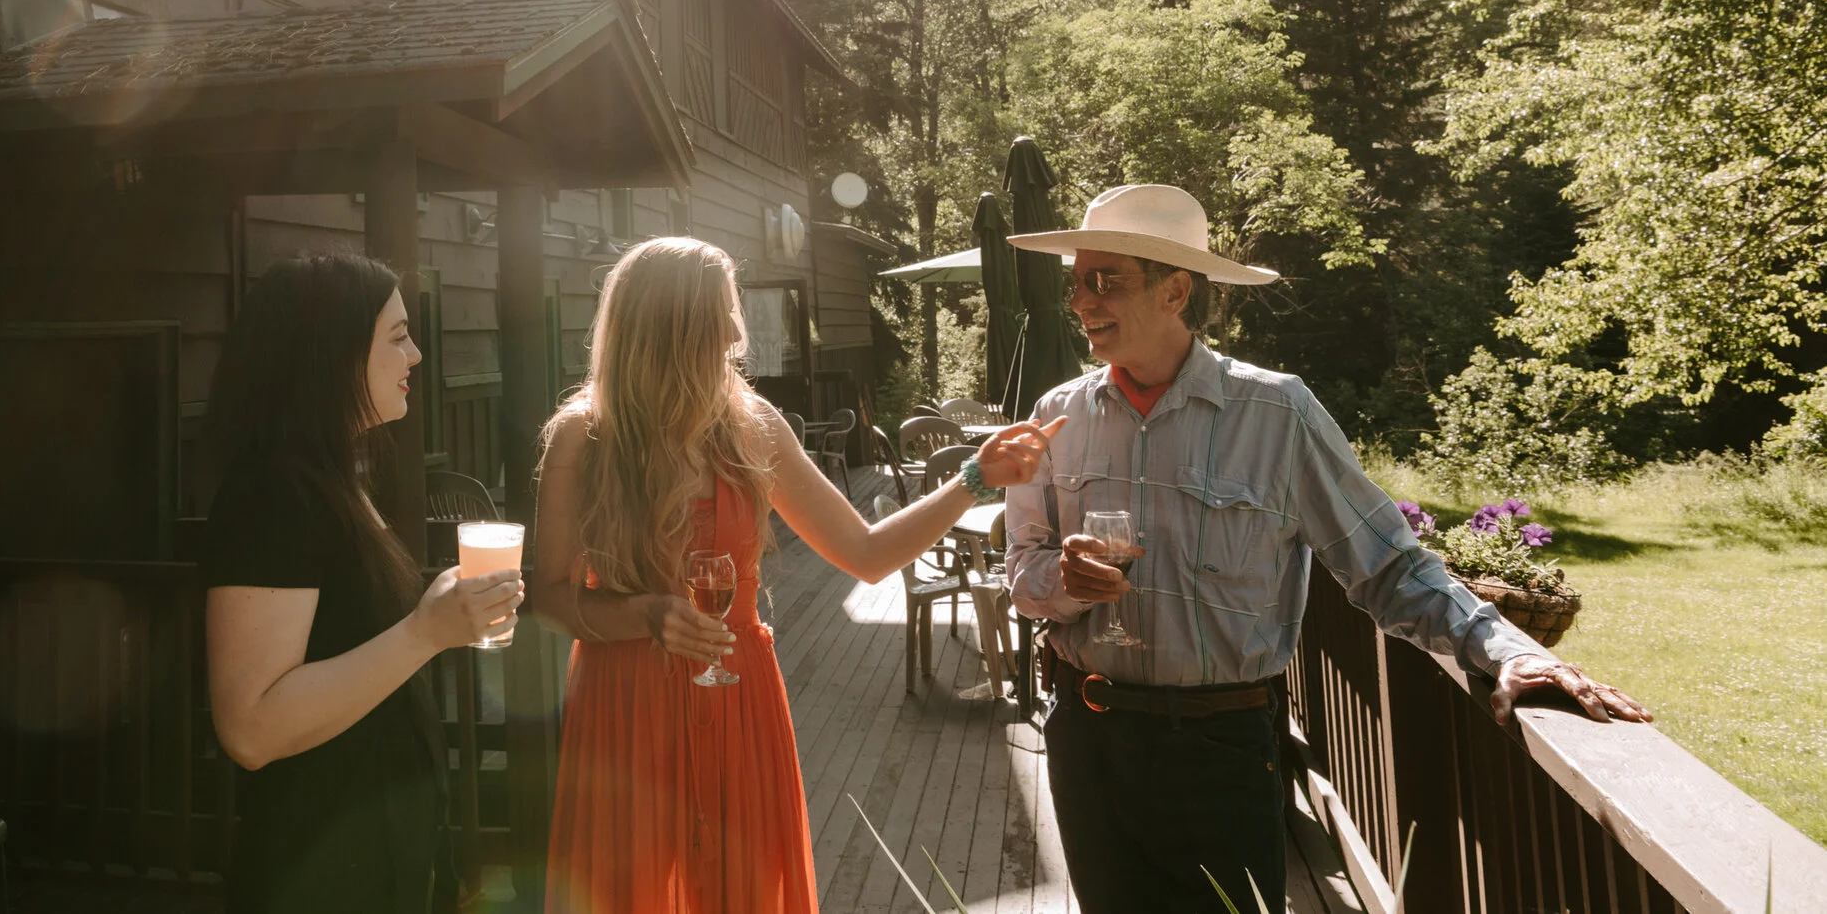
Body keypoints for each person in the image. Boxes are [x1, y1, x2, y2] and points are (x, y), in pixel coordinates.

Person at [1003, 184, 1649, 913]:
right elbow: (1021, 571)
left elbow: (1389, 563)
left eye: (1104, 280)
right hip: (1088, 743)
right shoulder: (1054, 417)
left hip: (1220, 751)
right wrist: (1061, 577)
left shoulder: (1278, 412)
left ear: (1175, 289)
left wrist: (1508, 649)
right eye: (1077, 282)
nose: (1082, 301)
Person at [531, 235, 1061, 913]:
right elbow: (548, 596)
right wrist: (642, 615)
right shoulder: (584, 437)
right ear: (667, 324)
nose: (735, 330)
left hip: (739, 700)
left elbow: (866, 553)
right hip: (623, 708)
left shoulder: (753, 427)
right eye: (719, 311)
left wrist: (973, 478)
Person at [200, 253, 525, 914]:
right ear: (336, 353)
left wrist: (444, 614)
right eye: (398, 336)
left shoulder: (333, 481)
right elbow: (250, 725)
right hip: (316, 873)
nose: (418, 356)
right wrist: (426, 632)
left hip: (376, 861)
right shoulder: (274, 494)